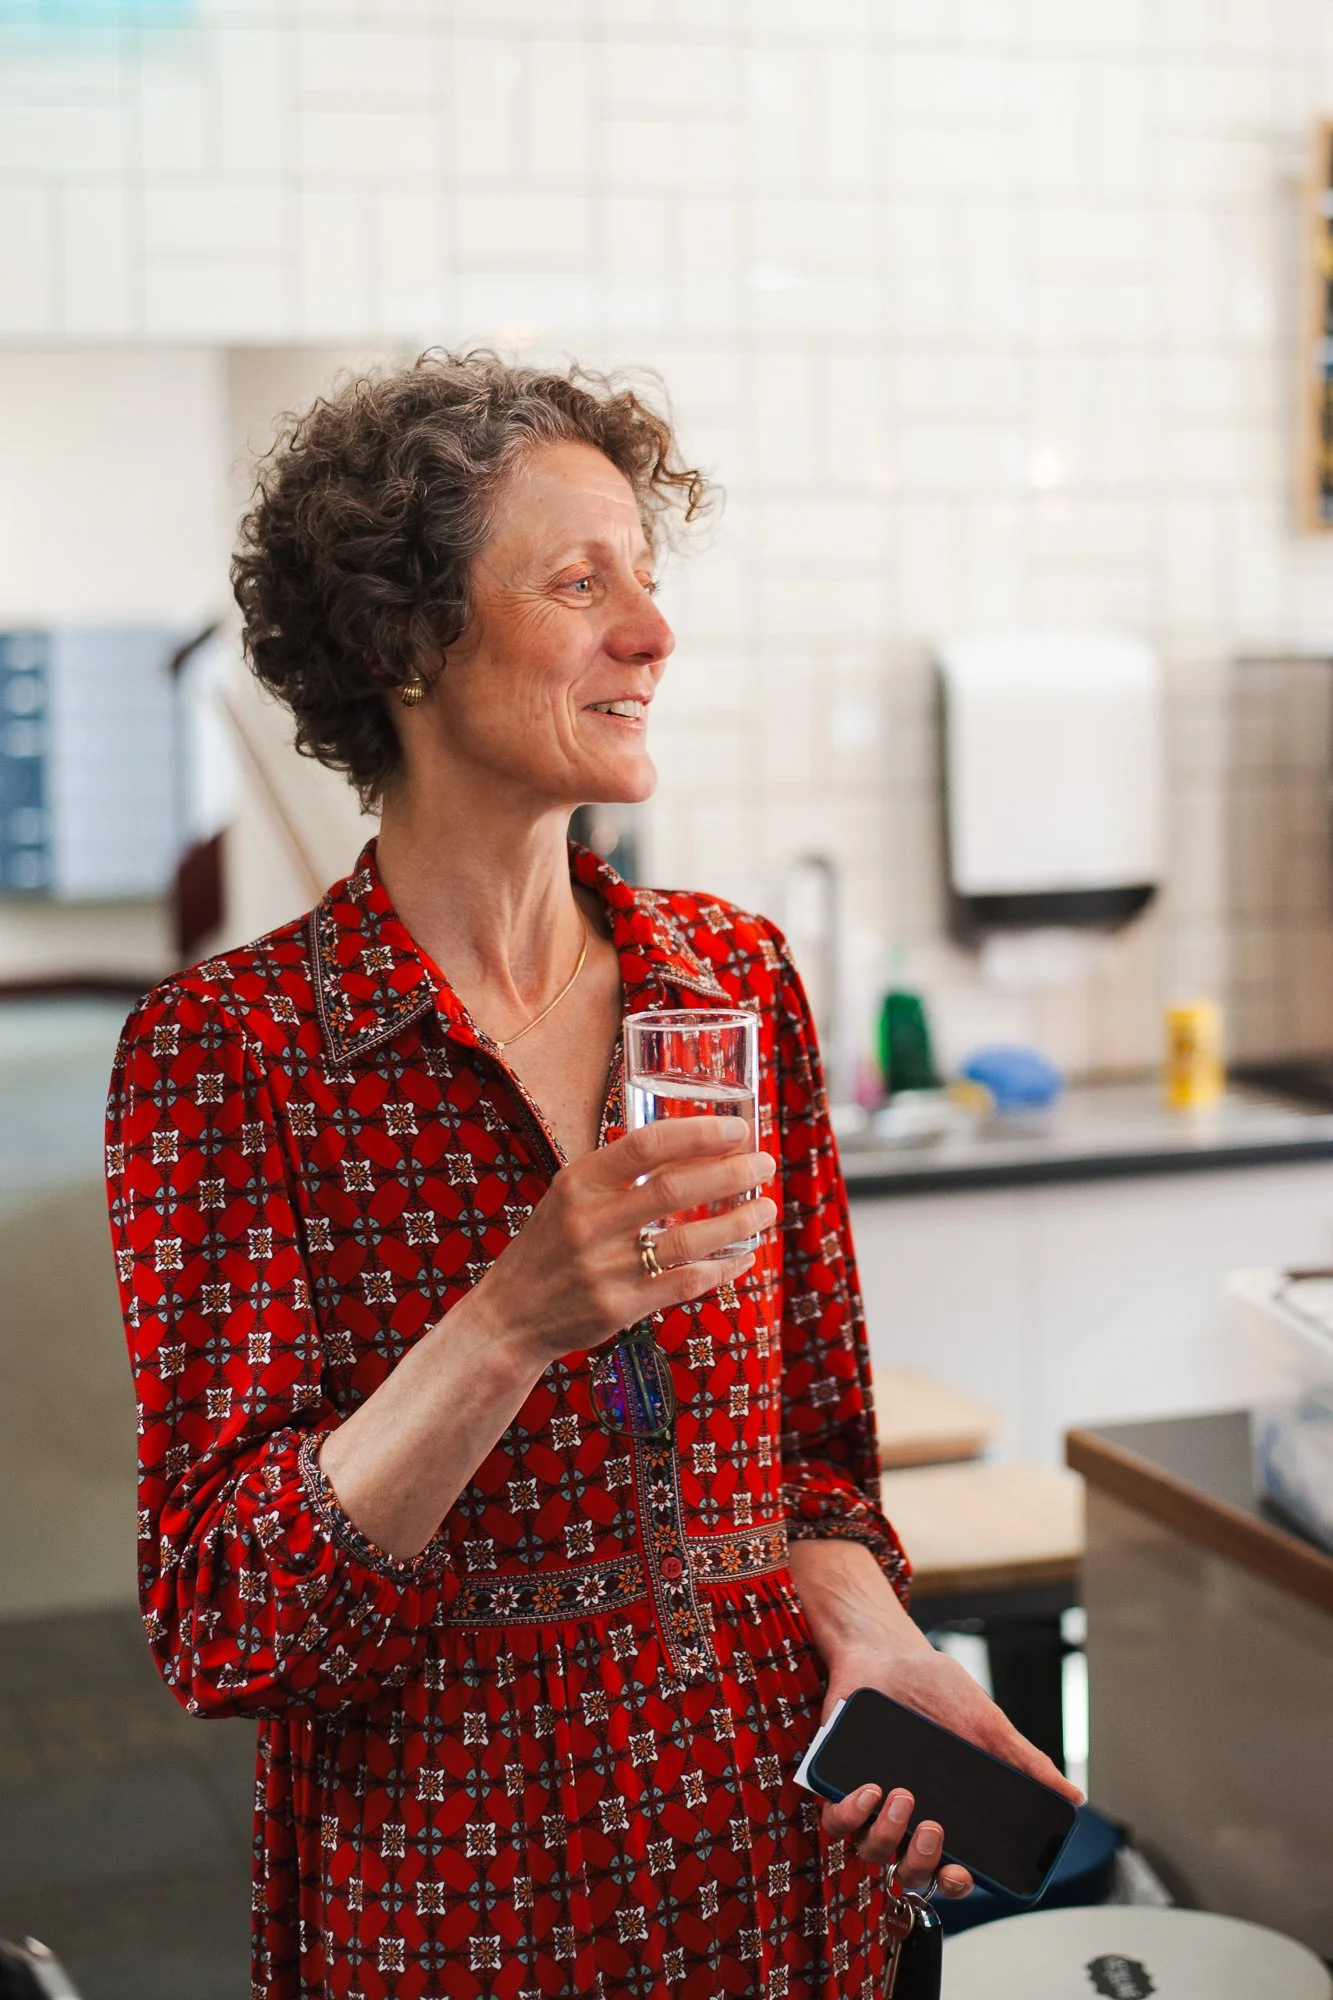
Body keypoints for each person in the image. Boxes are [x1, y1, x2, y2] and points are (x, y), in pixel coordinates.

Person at [106, 352, 1077, 1999]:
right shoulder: (235, 1052)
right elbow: (228, 1617)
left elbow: (816, 1468)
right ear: (404, 640)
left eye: (647, 574)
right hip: (468, 1904)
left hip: (777, 1879)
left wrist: (872, 1628)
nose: (653, 630)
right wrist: (506, 1321)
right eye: (579, 582)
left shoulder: (732, 979)